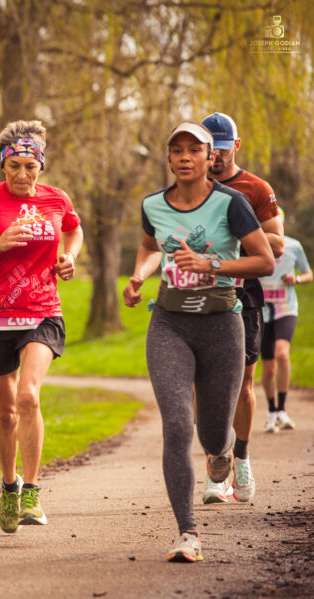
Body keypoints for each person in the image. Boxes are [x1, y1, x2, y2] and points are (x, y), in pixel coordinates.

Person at [123, 122, 273, 563]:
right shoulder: (153, 204)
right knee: (175, 424)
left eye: (195, 150)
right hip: (169, 324)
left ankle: (224, 450)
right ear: (168, 159)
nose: (185, 157)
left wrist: (211, 263)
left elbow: (264, 260)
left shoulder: (233, 203)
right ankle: (187, 532)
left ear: (211, 158)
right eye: (177, 150)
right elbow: (151, 246)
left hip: (222, 326)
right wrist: (138, 276)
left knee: (211, 433)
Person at [0, 120, 83, 534]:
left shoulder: (56, 200)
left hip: (42, 311)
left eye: (30, 166)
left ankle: (34, 491)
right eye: (15, 167)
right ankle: (10, 486)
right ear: (3, 166)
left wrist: (70, 257)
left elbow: (73, 231)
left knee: (27, 397)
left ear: (41, 164)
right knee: (4, 412)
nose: (23, 175)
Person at [197, 112, 284, 505]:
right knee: (205, 384)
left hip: (243, 291)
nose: (213, 154)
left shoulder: (255, 188)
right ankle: (218, 463)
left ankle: (243, 458)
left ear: (236, 146)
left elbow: (277, 245)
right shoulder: (188, 188)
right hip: (198, 291)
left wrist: (233, 233)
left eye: (220, 146)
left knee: (243, 384)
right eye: (207, 147)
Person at [260, 212, 311, 432]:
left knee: (282, 353)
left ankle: (282, 408)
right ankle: (272, 411)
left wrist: (296, 279)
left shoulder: (293, 246)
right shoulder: (255, 244)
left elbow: (308, 273)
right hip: (261, 312)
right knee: (269, 367)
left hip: (286, 308)